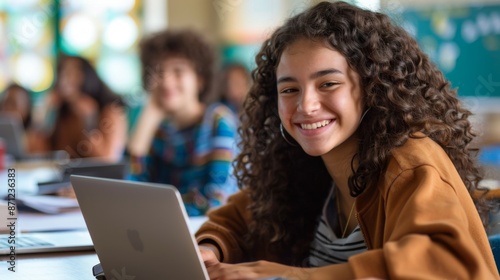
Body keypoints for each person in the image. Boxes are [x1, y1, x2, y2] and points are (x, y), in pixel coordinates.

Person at [196, 1, 499, 279]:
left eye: (328, 84)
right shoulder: (303, 164)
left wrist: (291, 277)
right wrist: (209, 250)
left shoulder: (410, 162)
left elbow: (443, 265)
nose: (306, 105)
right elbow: (235, 221)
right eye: (289, 90)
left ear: (373, 87)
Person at [127, 29, 239, 217]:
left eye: (178, 72)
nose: (166, 82)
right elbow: (128, 191)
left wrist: (152, 211)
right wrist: (149, 115)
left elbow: (215, 200)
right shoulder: (160, 130)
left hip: (205, 233)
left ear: (200, 80)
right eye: (159, 72)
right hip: (162, 228)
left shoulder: (218, 122)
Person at [36, 55, 128, 161]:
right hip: (68, 175)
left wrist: (90, 121)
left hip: (96, 176)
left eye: (72, 73)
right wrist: (43, 112)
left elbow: (108, 159)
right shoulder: (64, 110)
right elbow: (42, 155)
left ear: (88, 76)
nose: (65, 79)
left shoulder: (111, 110)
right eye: (62, 72)